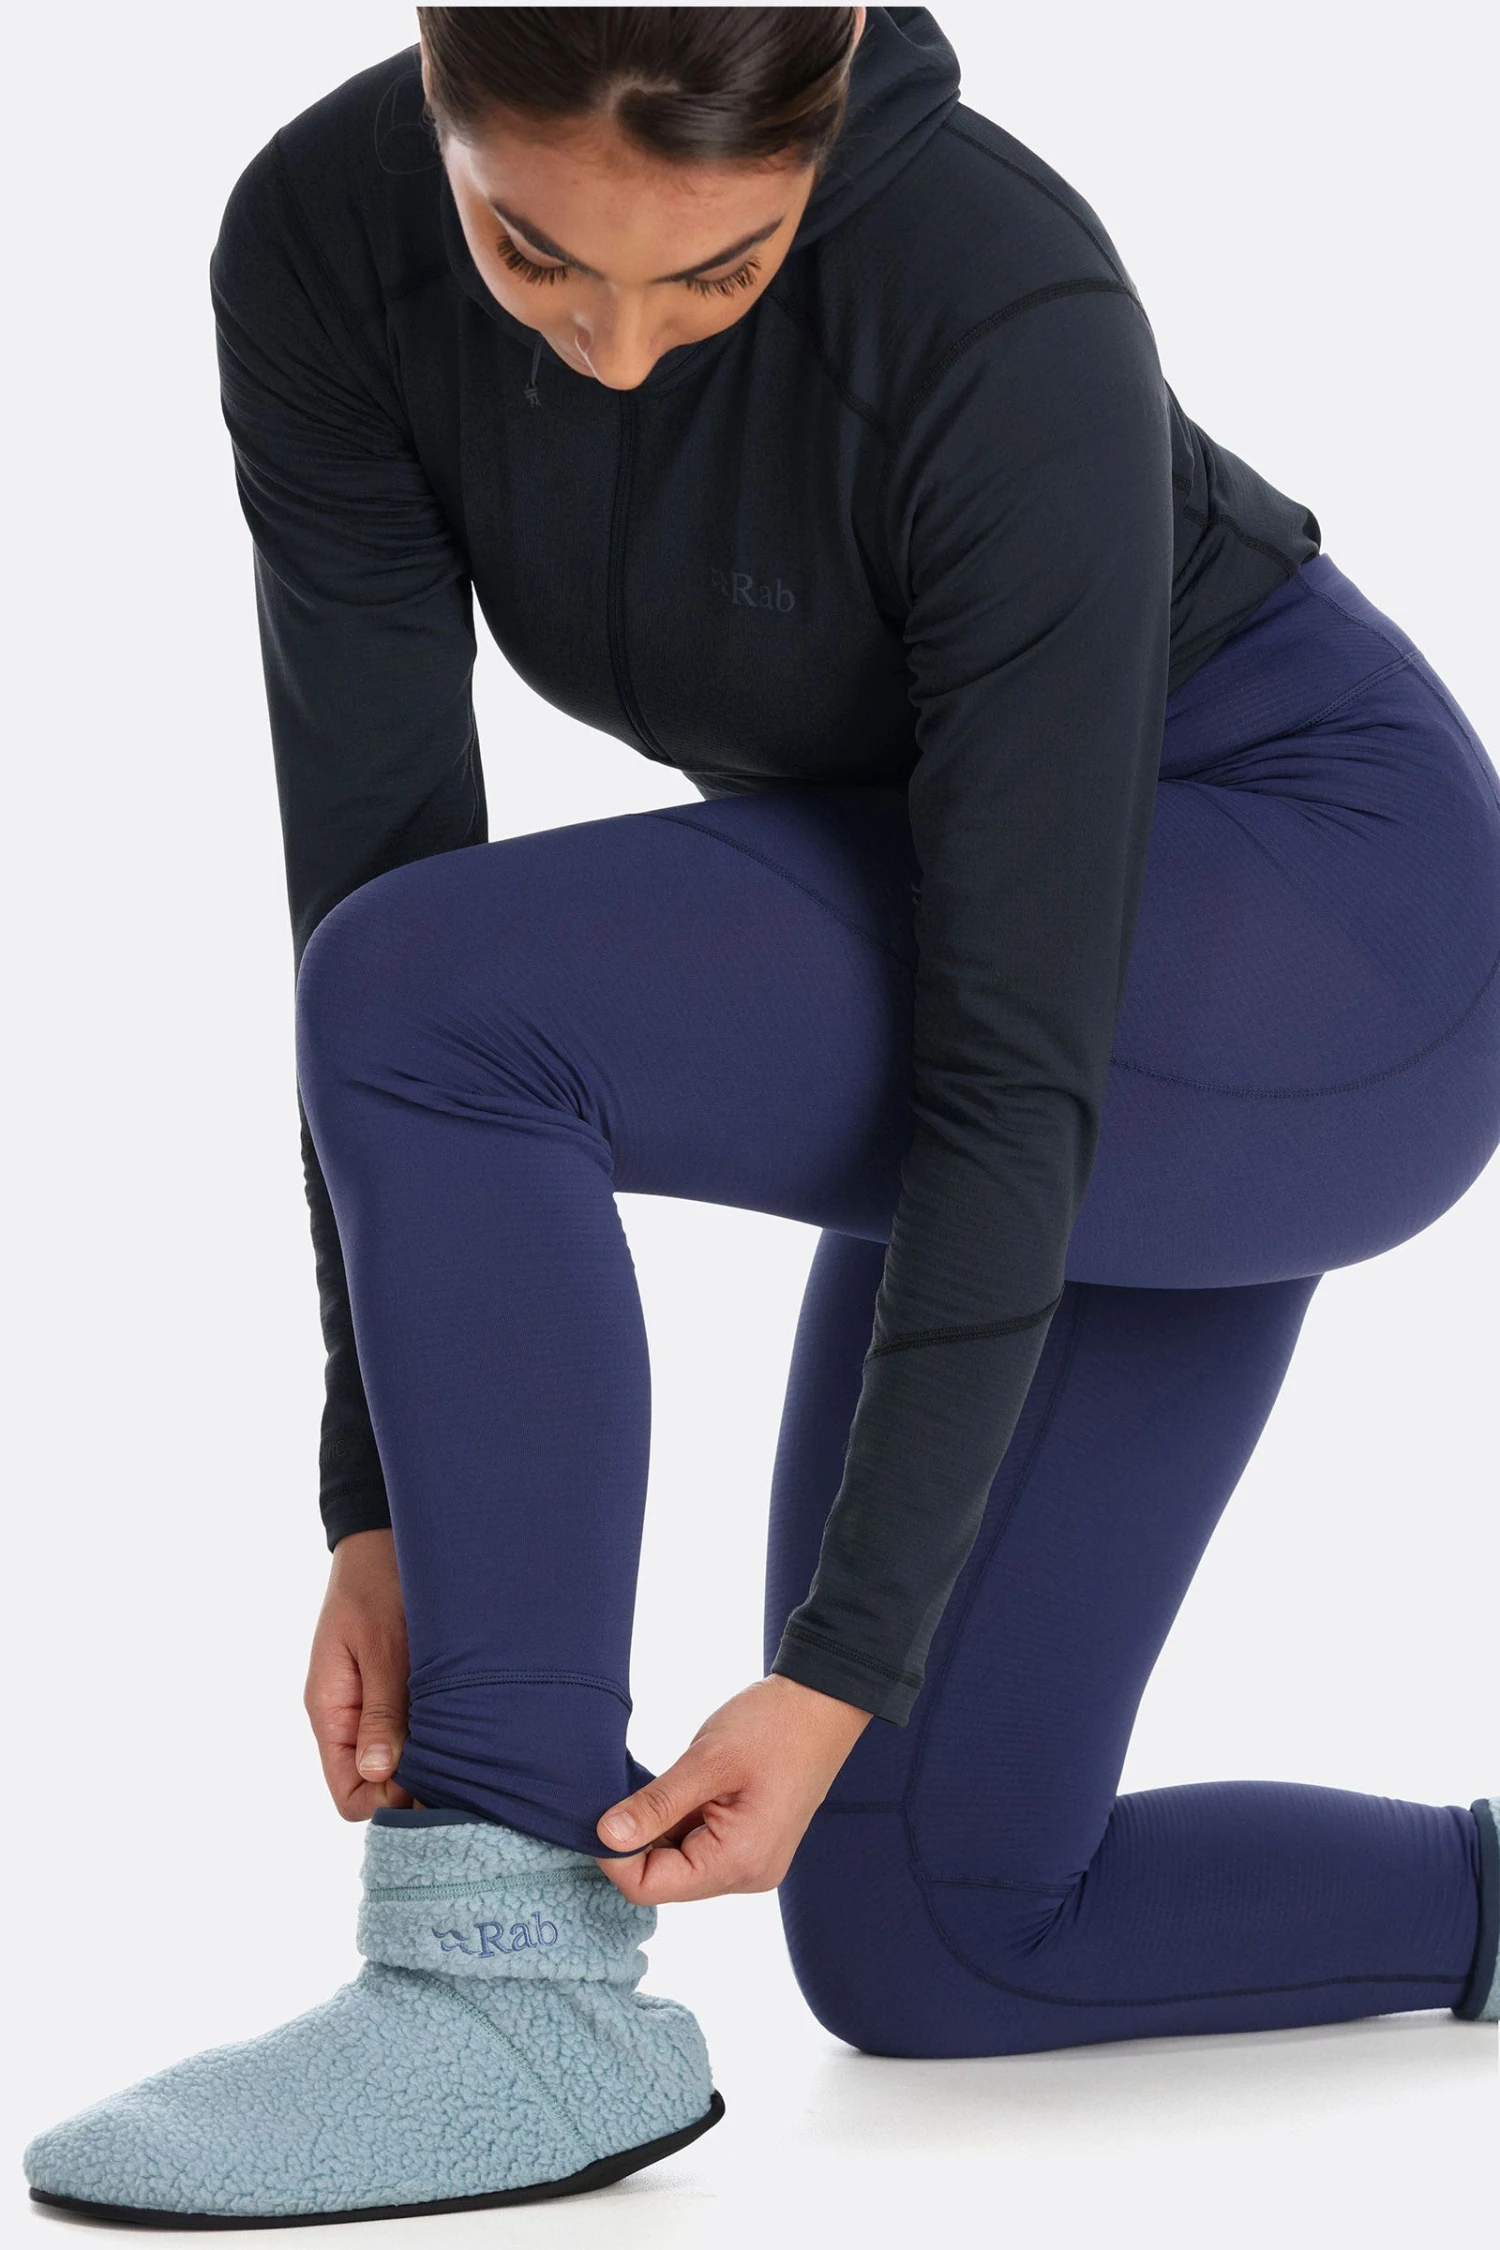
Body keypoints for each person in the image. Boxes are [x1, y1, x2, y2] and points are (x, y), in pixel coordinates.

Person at [24, 3, 1500, 2229]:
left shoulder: (998, 307)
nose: (618, 349)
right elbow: (371, 861)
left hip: (1313, 932)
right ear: (437, 80)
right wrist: (383, 1492)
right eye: (534, 254)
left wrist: (837, 1663)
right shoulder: (324, 245)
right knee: (947, 1927)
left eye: (719, 270)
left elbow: (997, 1056)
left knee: (454, 997)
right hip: (998, 933)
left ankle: (504, 1980)